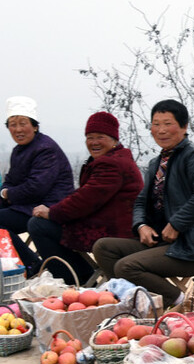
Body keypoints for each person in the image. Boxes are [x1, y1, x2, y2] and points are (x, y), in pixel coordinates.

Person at [92, 99, 194, 308]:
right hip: (163, 243)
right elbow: (141, 201)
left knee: (126, 267)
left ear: (184, 126)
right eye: (156, 124)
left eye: (168, 123)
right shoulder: (158, 162)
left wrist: (176, 224)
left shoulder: (193, 157)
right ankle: (129, 300)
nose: (161, 130)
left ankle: (181, 302)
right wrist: (141, 225)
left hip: (190, 247)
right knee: (104, 247)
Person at [27, 112, 144, 285]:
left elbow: (85, 200)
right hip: (105, 223)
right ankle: (81, 275)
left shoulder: (112, 164)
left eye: (100, 137)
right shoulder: (114, 159)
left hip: (114, 231)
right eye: (89, 137)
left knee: (39, 225)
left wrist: (52, 212)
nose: (94, 142)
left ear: (114, 140)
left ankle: (76, 279)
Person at [0, 96, 74, 266]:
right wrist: (5, 192)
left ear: (34, 126)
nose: (18, 129)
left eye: (23, 123)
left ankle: (29, 264)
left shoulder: (45, 149)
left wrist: (7, 193)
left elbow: (36, 188)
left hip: (44, 205)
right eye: (13, 124)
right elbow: (9, 180)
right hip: (21, 203)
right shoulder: (19, 150)